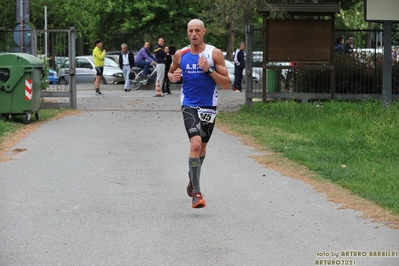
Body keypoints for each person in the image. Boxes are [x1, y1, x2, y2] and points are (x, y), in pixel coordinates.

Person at [168, 19, 230, 209]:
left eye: (197, 31)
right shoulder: (181, 54)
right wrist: (173, 77)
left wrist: (208, 69)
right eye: (190, 31)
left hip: (208, 107)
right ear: (187, 33)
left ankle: (192, 179)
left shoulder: (214, 54)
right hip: (189, 105)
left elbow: (226, 83)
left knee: (202, 149)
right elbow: (171, 73)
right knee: (195, 145)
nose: (193, 34)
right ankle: (197, 193)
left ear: (204, 32)